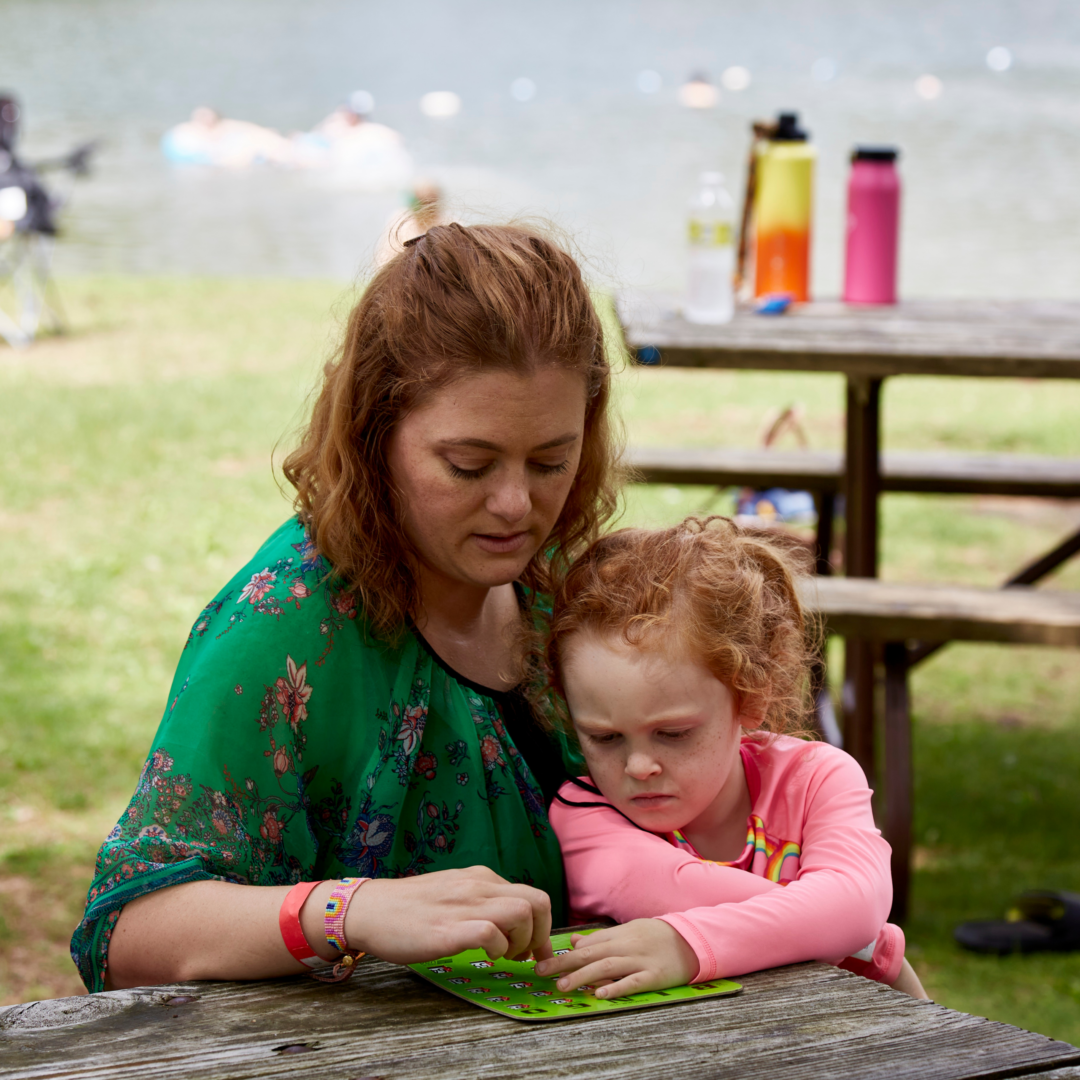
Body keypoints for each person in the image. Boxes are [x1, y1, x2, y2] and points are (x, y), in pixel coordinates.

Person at [71, 222, 620, 993]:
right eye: (468, 464)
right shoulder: (286, 627)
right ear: (374, 433)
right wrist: (348, 910)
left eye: (551, 460)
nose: (514, 503)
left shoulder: (566, 590)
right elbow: (129, 933)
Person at [535, 516, 929, 999]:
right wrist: (861, 939)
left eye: (673, 733)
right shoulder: (585, 814)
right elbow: (674, 888)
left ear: (750, 697)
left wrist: (686, 945)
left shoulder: (816, 778)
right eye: (604, 738)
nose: (638, 767)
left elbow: (854, 909)